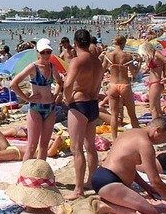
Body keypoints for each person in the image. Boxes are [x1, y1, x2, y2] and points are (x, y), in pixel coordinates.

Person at [91, 117, 166, 213]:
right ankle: (107, 205)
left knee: (149, 208)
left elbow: (128, 167)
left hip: (102, 175)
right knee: (152, 212)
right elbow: (155, 181)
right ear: (158, 130)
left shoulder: (129, 133)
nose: (164, 141)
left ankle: (106, 205)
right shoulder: (145, 144)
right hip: (110, 182)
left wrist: (146, 187)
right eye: (165, 136)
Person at [63, 29, 104, 199]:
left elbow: (68, 84)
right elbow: (99, 84)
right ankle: (91, 181)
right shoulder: (97, 62)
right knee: (90, 147)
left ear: (75, 43)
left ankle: (79, 189)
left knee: (76, 149)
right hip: (93, 105)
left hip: (79, 105)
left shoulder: (77, 61)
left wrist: (67, 99)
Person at [11, 38, 63, 161]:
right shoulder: (33, 67)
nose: (46, 55)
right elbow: (14, 84)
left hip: (50, 107)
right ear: (38, 53)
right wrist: (27, 98)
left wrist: (55, 95)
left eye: (48, 52)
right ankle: (25, 171)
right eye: (43, 52)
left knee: (44, 145)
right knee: (32, 146)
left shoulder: (52, 67)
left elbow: (60, 82)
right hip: (36, 108)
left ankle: (40, 170)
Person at [101, 35, 140, 139]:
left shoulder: (108, 55)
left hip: (113, 85)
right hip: (124, 84)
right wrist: (139, 63)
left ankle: (115, 139)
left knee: (114, 115)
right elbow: (134, 73)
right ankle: (138, 137)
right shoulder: (127, 56)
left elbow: (102, 70)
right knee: (132, 114)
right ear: (124, 43)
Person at [138, 42, 166, 120]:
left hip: (156, 83)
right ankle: (162, 124)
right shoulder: (152, 56)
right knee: (157, 109)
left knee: (153, 109)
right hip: (154, 83)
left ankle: (155, 124)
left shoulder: (157, 54)